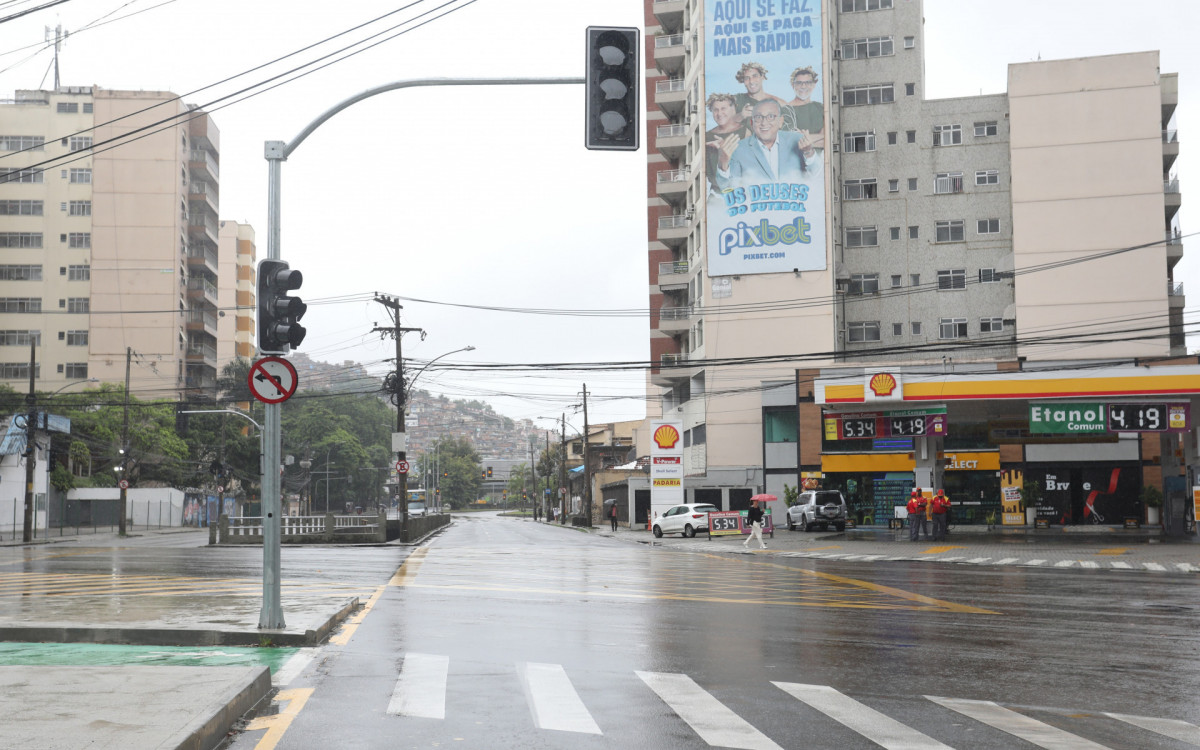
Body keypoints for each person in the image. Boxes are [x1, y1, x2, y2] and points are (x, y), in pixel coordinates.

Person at [713, 98, 822, 192]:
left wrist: (809, 152)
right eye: (758, 117)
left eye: (770, 116)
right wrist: (723, 163)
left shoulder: (798, 140)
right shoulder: (738, 149)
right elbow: (729, 190)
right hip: (755, 214)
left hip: (795, 213)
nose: (764, 123)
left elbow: (817, 177)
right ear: (752, 123)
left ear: (780, 121)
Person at [704, 93, 746, 189]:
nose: (719, 114)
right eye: (715, 110)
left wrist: (727, 152)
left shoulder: (747, 131)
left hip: (746, 192)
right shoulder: (707, 137)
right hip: (718, 194)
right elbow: (708, 174)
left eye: (723, 108)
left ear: (734, 109)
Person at [732, 62, 788, 127]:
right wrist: (741, 115)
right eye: (747, 78)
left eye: (755, 76)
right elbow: (724, 123)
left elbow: (788, 130)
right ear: (743, 81)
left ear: (762, 77)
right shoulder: (737, 100)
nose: (751, 81)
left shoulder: (780, 104)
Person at [782, 66, 824, 150]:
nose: (803, 86)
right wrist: (820, 137)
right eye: (799, 83)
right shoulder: (786, 110)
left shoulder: (820, 107)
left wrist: (805, 140)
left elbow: (827, 140)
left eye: (807, 82)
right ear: (793, 85)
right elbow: (790, 141)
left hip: (820, 160)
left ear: (813, 85)